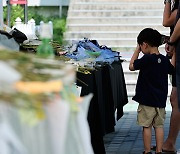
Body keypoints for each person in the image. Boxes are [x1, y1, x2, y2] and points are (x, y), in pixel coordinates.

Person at [129, 28, 174, 154]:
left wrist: (137, 51)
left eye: (140, 46)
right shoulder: (164, 61)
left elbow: (131, 66)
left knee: (147, 126)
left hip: (146, 99)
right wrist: (173, 53)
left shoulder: (146, 59)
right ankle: (159, 150)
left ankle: (147, 151)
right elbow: (172, 69)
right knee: (159, 126)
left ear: (144, 44)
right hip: (160, 101)